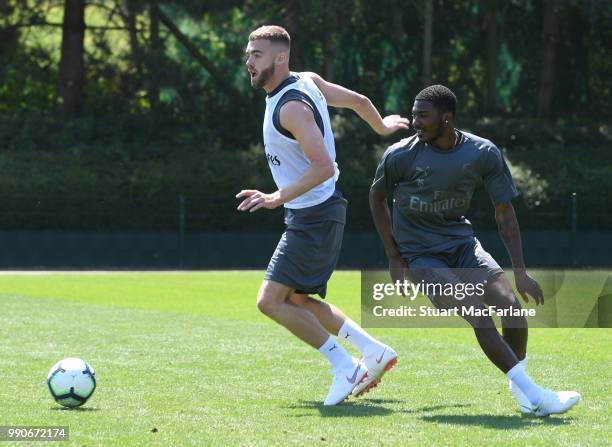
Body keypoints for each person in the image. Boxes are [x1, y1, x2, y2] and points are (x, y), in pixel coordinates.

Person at [369, 84, 580, 416]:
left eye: (423, 115)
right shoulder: (400, 155)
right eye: (413, 115)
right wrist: (394, 255)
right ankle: (538, 397)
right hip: (422, 256)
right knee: (477, 312)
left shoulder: (482, 152)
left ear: (447, 118)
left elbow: (505, 214)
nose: (415, 122)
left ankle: (521, 388)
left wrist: (520, 272)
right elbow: (377, 198)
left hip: (463, 245)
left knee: (511, 307)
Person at [237, 25, 408, 405]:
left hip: (313, 216)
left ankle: (347, 368)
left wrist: (274, 197)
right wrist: (381, 126)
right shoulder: (307, 82)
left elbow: (323, 166)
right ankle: (373, 352)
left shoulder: (291, 106)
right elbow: (360, 101)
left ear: (280, 58)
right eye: (248, 54)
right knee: (296, 299)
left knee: (270, 301)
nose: (248, 61)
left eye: (257, 55)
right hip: (317, 213)